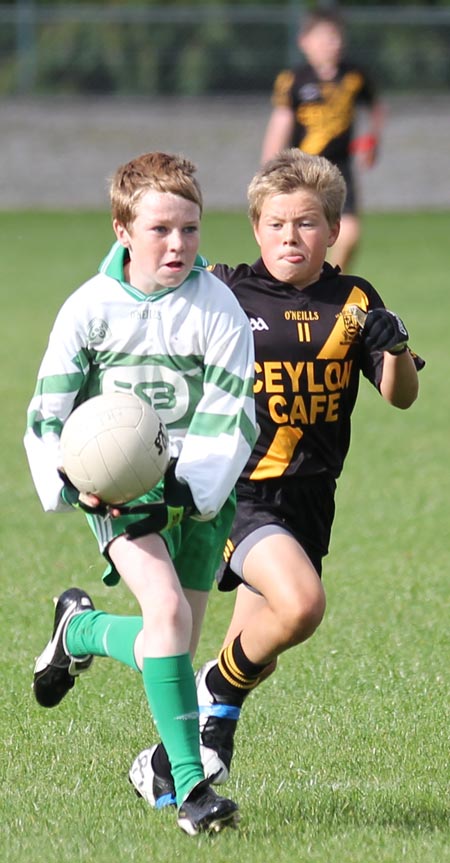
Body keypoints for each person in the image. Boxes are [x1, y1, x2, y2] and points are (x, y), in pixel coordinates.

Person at [128, 149, 424, 806]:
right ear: (257, 228)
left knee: (269, 638)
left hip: (312, 498)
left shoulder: (354, 299)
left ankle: (163, 763)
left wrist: (397, 346)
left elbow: (400, 395)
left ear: (335, 228)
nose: (292, 236)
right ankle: (218, 695)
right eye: (278, 223)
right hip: (237, 491)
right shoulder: (226, 290)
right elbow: (151, 307)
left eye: (309, 223)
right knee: (302, 605)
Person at [24, 151, 258, 836]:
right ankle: (190, 789)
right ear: (122, 229)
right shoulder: (89, 309)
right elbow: (48, 410)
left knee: (173, 643)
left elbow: (233, 407)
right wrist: (75, 481)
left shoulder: (217, 304)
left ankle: (82, 629)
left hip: (200, 494)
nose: (179, 244)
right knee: (165, 615)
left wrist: (189, 484)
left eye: (189, 228)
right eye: (160, 229)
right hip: (122, 495)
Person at [260, 8, 385, 272]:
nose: (334, 44)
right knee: (298, 231)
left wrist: (373, 140)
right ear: (305, 42)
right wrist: (268, 165)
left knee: (349, 234)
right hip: (303, 169)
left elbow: (376, 107)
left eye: (337, 37)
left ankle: (331, 280)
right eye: (326, 38)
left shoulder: (354, 76)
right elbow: (281, 121)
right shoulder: (294, 79)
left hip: (339, 169)